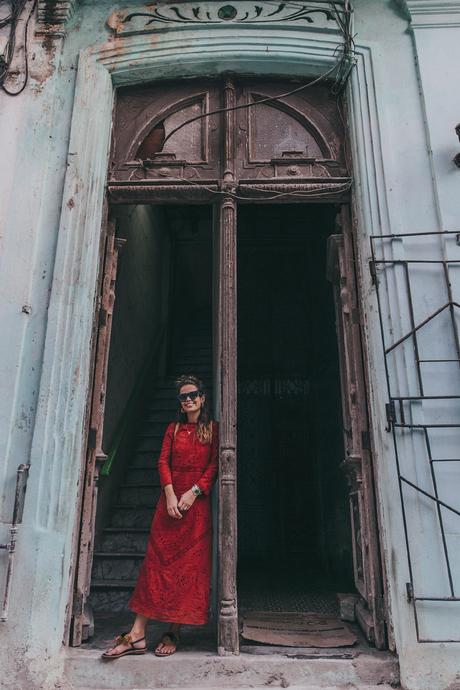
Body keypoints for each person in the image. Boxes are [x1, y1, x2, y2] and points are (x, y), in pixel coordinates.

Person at [102, 374, 218, 659]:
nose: (188, 399)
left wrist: (194, 492)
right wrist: (169, 494)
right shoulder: (173, 429)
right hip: (168, 508)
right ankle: (138, 633)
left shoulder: (214, 430)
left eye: (193, 394)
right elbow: (162, 461)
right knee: (156, 566)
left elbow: (215, 466)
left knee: (186, 571)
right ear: (180, 403)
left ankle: (173, 630)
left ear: (203, 398)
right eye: (183, 397)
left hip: (196, 510)